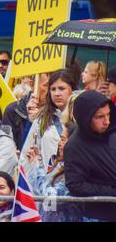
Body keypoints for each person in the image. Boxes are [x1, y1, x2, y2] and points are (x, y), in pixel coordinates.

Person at [64, 90, 116, 222]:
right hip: (101, 214)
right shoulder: (74, 146)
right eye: (100, 117)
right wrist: (110, 192)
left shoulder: (112, 133)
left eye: (108, 114)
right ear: (86, 118)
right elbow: (75, 185)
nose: (107, 121)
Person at [20, 69, 77, 173]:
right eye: (53, 89)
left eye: (61, 88)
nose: (57, 93)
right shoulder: (43, 118)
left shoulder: (81, 117)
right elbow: (27, 154)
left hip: (73, 179)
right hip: (45, 181)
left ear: (72, 89)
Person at [26, 121, 82, 222]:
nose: (59, 143)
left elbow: (50, 199)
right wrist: (38, 163)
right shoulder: (59, 166)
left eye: (63, 139)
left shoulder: (77, 172)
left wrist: (36, 166)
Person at [2, 73, 49, 151]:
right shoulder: (13, 110)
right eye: (46, 85)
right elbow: (4, 147)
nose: (51, 91)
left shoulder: (58, 111)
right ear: (32, 84)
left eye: (53, 87)